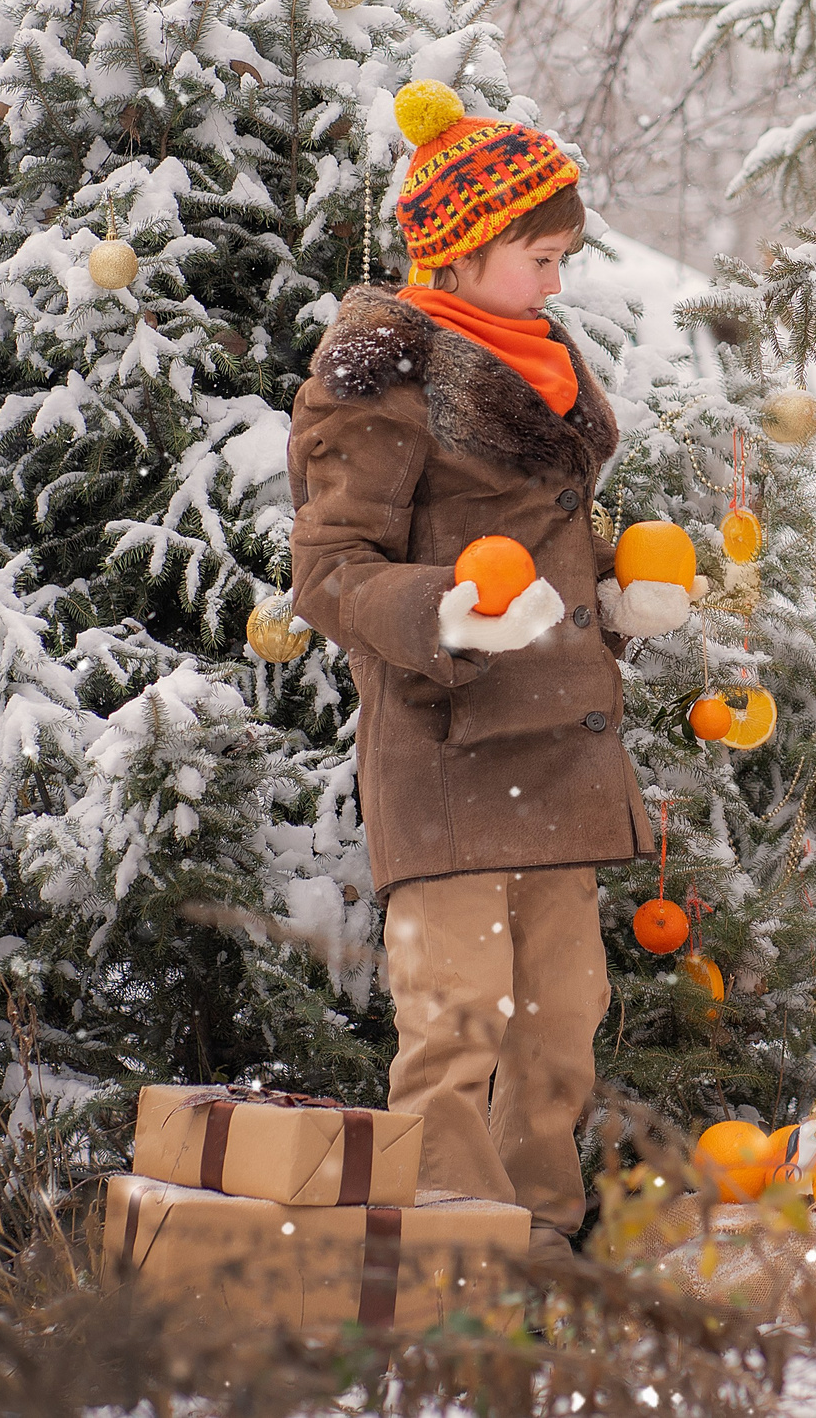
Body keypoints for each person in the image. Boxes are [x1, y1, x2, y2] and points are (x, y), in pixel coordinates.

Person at [288, 80, 686, 1267]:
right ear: (460, 249)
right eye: (540, 257)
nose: (557, 284)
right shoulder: (379, 370)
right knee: (456, 1019)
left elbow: (544, 541)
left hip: (559, 744)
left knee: (562, 1021)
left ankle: (542, 1233)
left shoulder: (545, 358)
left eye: (563, 259)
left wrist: (620, 592)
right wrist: (444, 613)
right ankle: (452, 1245)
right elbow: (329, 569)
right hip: (448, 741)